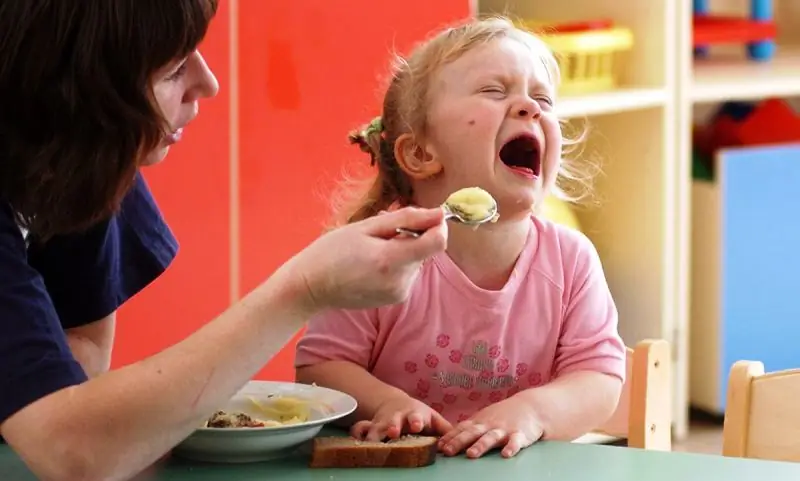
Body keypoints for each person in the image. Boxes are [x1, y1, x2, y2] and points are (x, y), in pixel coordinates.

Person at [0, 2, 448, 480]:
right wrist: (302, 288)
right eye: (173, 69)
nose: (207, 83)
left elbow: (79, 354)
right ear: (72, 90)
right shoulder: (91, 136)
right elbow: (73, 452)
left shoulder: (84, 158)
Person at [295, 17, 627, 460]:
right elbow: (320, 368)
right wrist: (388, 403)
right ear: (420, 152)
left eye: (542, 98)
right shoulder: (378, 255)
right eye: (494, 90)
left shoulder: (571, 260)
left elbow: (598, 378)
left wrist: (532, 412)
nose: (531, 107)